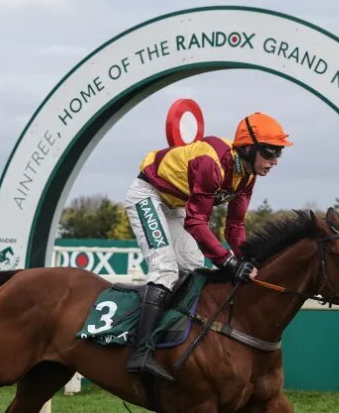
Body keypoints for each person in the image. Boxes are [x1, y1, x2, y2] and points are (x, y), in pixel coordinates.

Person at [124, 112, 293, 381]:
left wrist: (247, 258)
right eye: (269, 152)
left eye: (278, 153)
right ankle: (140, 353)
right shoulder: (210, 163)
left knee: (194, 267)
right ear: (248, 148)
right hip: (147, 194)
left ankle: (172, 339)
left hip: (175, 205)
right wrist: (228, 261)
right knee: (165, 269)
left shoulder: (247, 177)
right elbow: (196, 222)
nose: (274, 161)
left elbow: (235, 226)